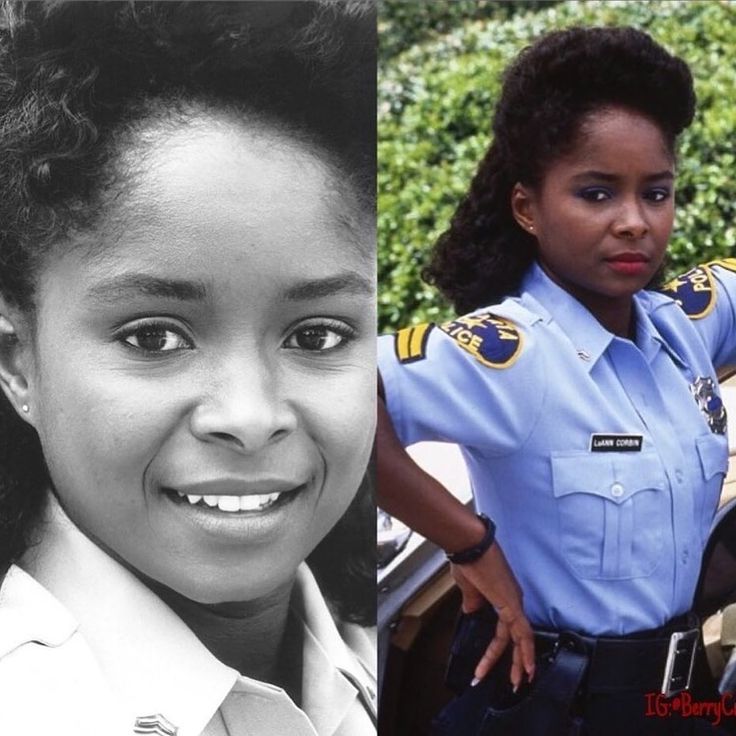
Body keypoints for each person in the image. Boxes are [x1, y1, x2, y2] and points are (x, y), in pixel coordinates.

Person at [0, 2, 376, 735]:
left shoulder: (376, 639)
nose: (249, 416)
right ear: (18, 364)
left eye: (319, 335)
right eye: (152, 339)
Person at [378, 25, 736, 735]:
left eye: (656, 193)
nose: (634, 222)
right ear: (527, 208)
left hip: (677, 702)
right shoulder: (509, 356)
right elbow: (319, 393)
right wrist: (469, 545)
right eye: (597, 194)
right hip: (552, 706)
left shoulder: (687, 325)